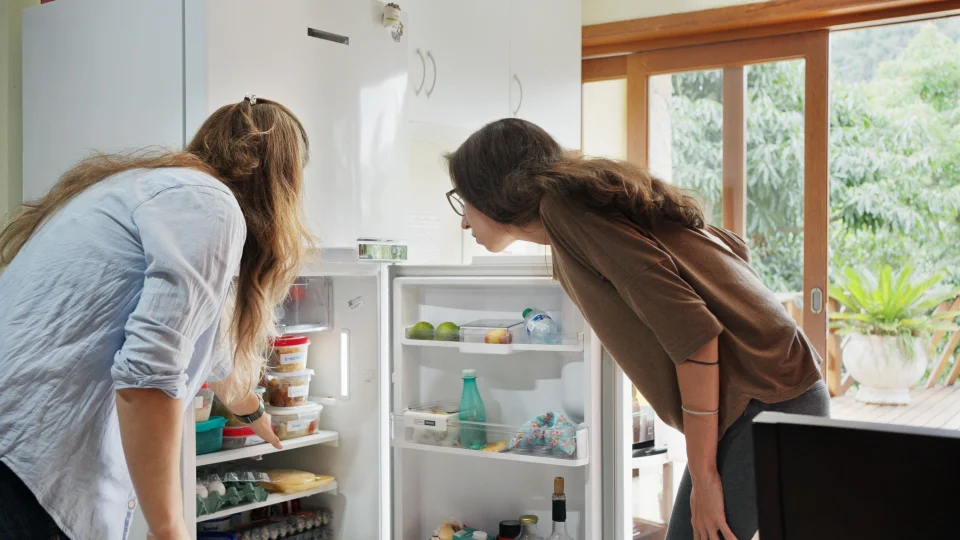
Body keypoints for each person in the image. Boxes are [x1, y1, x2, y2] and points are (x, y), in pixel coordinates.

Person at [444, 118, 828, 540]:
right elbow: (728, 251)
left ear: (492, 195)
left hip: (769, 400)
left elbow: (695, 334)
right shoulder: (570, 215)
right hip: (774, 391)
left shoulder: (567, 212)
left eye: (463, 201)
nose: (464, 221)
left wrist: (704, 478)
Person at [0, 96, 313, 540]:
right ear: (280, 180)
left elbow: (213, 351)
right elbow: (148, 374)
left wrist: (254, 412)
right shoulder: (210, 204)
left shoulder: (146, 188)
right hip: (29, 471)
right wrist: (169, 528)